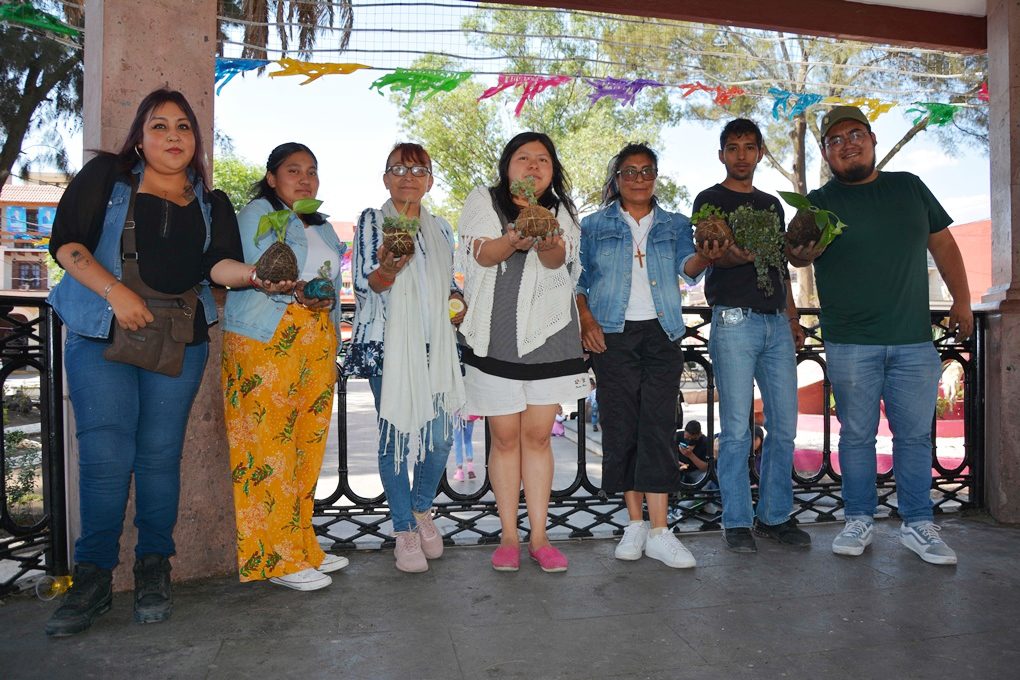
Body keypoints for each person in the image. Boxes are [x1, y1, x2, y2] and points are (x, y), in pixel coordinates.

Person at [44, 88, 255, 636]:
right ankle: (91, 577)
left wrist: (257, 275)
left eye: (183, 127)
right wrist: (117, 294)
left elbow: (221, 267)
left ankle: (154, 566)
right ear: (140, 135)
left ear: (195, 139)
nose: (172, 137)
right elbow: (66, 244)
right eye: (159, 126)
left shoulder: (213, 203)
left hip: (179, 341)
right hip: (101, 332)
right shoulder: (107, 179)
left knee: (160, 458)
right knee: (106, 456)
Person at [789, 105, 973, 565]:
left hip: (914, 339)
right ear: (826, 154)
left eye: (855, 134)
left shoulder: (909, 187)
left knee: (914, 438)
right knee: (856, 436)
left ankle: (918, 524)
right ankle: (858, 519)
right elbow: (796, 258)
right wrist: (800, 251)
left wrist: (963, 300)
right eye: (835, 140)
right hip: (850, 340)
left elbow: (945, 245)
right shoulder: (816, 203)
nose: (847, 144)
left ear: (872, 139)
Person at [577, 143, 724, 569]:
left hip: (663, 333)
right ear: (616, 178)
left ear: (655, 177)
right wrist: (586, 321)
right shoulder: (593, 225)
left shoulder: (675, 223)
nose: (639, 178)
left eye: (647, 171)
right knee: (623, 427)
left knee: (658, 427)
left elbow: (689, 267)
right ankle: (634, 523)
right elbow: (578, 279)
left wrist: (705, 255)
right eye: (629, 171)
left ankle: (661, 531)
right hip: (613, 335)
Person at [222, 142, 349, 590]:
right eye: (293, 170)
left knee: (304, 448)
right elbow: (263, 270)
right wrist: (294, 290)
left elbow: (329, 283)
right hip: (266, 338)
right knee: (266, 450)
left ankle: (302, 547)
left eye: (312, 171)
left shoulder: (324, 227)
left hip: (316, 339)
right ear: (272, 177)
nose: (305, 178)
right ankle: (273, 559)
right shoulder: (258, 211)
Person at [458, 131, 586, 573]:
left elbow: (557, 263)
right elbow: (483, 256)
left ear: (552, 170)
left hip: (549, 337)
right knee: (505, 437)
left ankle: (540, 535)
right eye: (523, 158)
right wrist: (515, 236)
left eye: (543, 160)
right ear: (507, 166)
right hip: (495, 336)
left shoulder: (563, 209)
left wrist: (546, 235)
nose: (533, 166)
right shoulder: (484, 200)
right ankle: (508, 535)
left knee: (536, 437)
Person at [344, 142, 465, 573]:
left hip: (435, 344)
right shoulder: (371, 221)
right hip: (386, 342)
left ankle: (420, 508)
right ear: (385, 178)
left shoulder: (441, 229)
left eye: (418, 170)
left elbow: (449, 281)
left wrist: (457, 300)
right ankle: (403, 530)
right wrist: (389, 270)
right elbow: (365, 284)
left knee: (439, 438)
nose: (408, 176)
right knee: (394, 436)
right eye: (399, 168)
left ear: (430, 182)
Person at [692, 118, 811, 554]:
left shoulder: (773, 205)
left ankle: (775, 515)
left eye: (749, 147)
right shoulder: (709, 200)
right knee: (738, 431)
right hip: (734, 323)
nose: (741, 155)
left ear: (760, 153)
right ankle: (736, 521)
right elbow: (712, 257)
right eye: (733, 147)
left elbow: (780, 266)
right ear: (722, 154)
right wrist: (731, 255)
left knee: (784, 427)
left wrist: (793, 318)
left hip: (776, 324)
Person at [453, 414, 480, 481]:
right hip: (470, 414)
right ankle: (470, 468)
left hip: (457, 414)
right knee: (468, 440)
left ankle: (459, 472)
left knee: (458, 442)